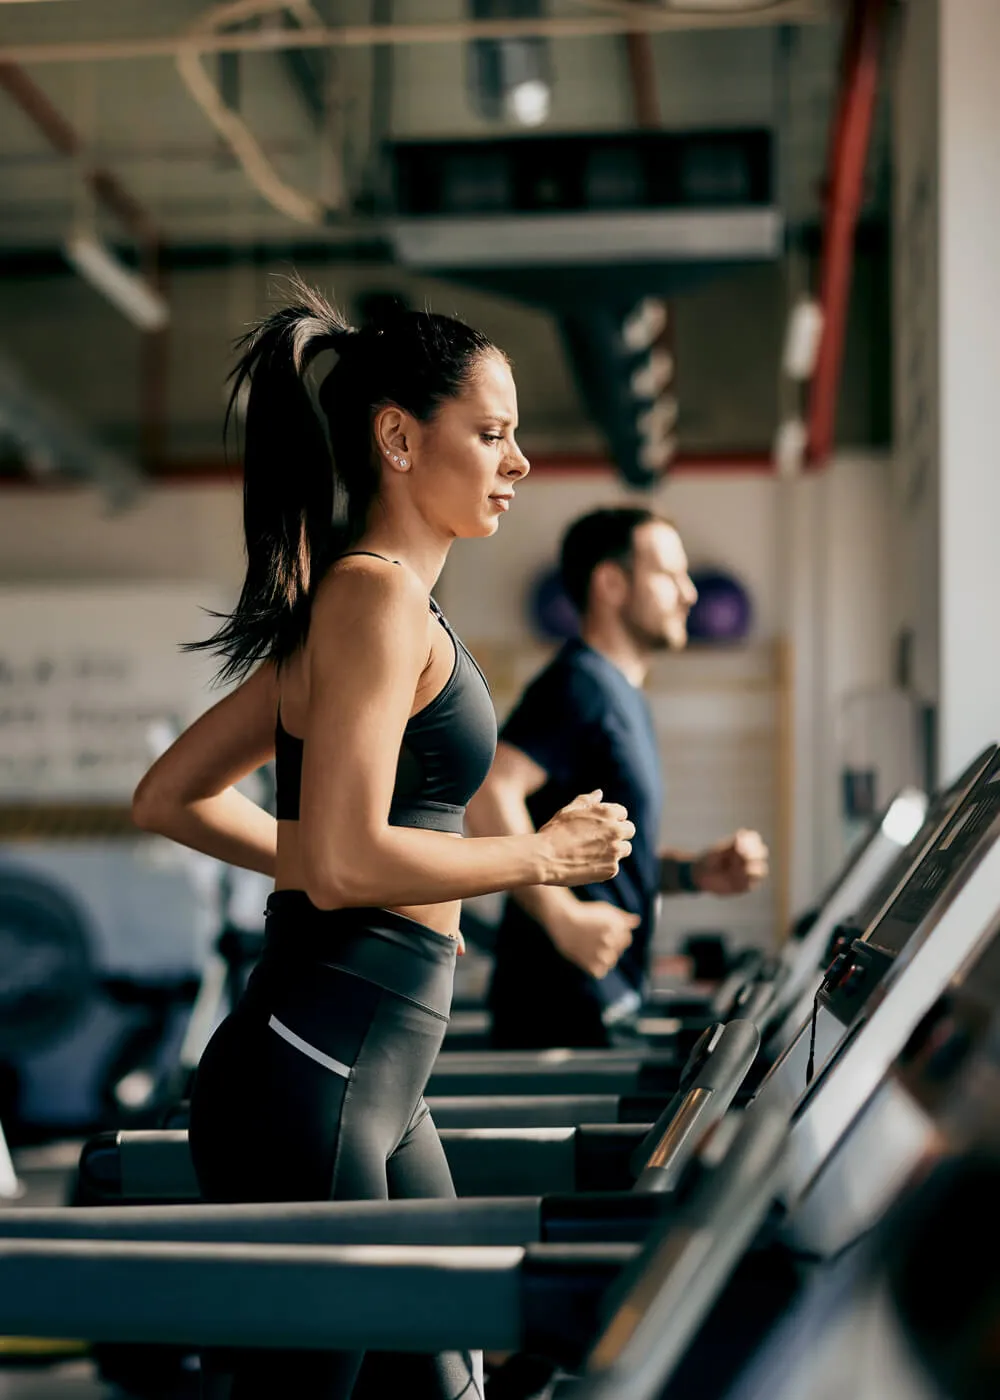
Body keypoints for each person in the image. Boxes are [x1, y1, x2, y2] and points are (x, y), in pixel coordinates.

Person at [130, 286, 634, 1400]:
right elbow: (345, 858)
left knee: (448, 1383)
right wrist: (538, 858)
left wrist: (317, 856)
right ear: (400, 437)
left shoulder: (382, 604)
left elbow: (173, 796)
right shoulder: (371, 601)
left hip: (370, 1076)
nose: (518, 461)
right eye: (492, 431)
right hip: (315, 1068)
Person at [466, 506, 769, 1051]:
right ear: (611, 583)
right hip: (557, 1006)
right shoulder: (579, 685)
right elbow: (490, 791)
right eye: (668, 575)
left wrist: (696, 871)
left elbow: (608, 856)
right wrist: (561, 916)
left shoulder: (622, 694)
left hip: (603, 997)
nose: (690, 594)